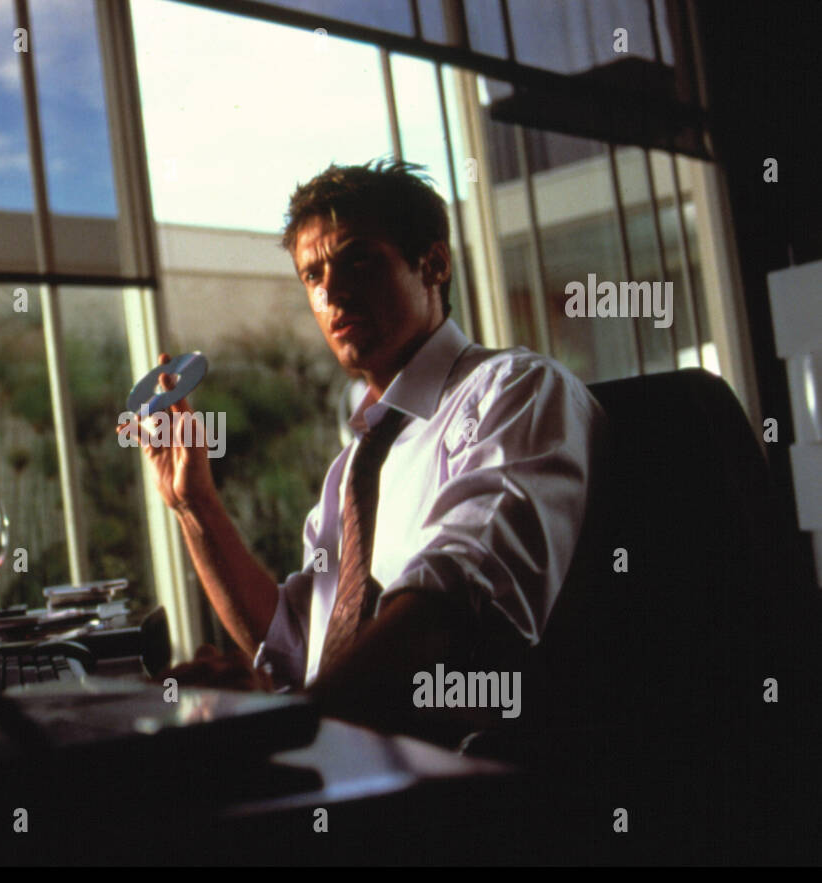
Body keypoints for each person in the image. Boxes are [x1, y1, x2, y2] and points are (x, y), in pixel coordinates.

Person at [119, 159, 605, 745]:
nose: (331, 291)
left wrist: (292, 720)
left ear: (434, 264)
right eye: (312, 275)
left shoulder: (517, 390)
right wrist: (194, 506)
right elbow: (295, 644)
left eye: (358, 259)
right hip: (347, 758)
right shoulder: (351, 468)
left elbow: (453, 597)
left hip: (464, 776)